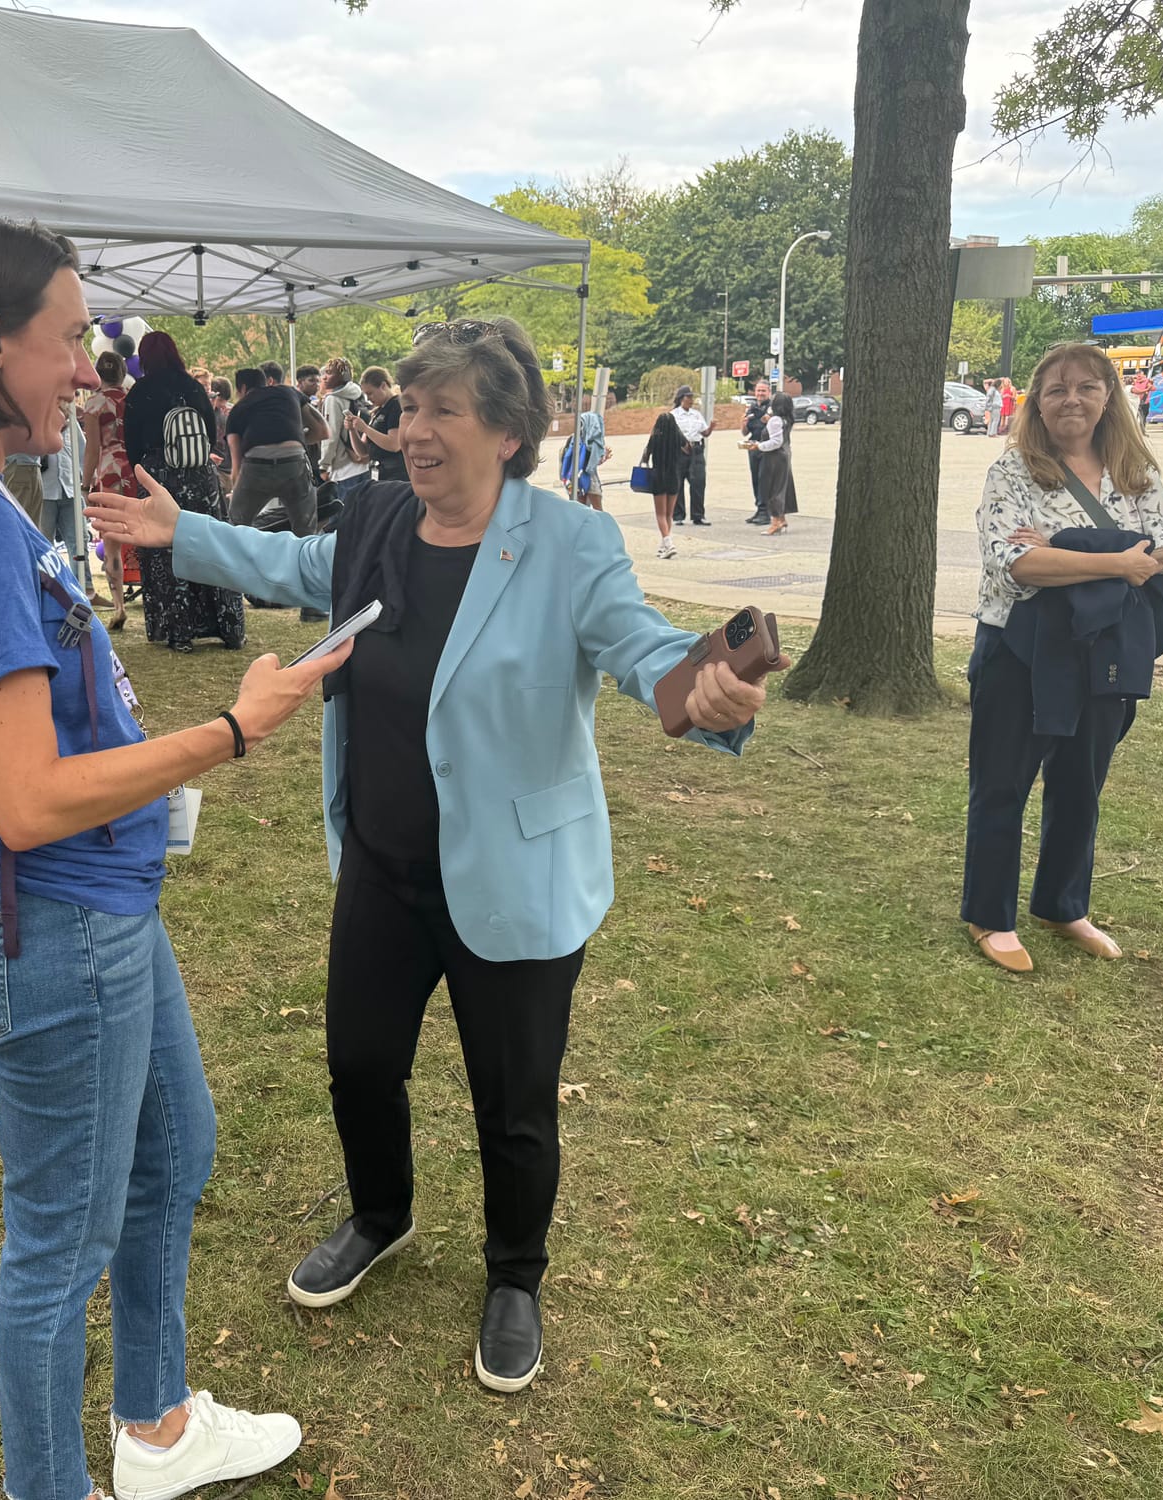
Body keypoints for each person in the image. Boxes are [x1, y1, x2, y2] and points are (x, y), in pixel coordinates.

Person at [89, 315, 776, 1396]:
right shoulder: (374, 519)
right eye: (407, 409)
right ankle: (380, 1216)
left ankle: (513, 1276)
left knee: (511, 1099)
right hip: (381, 859)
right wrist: (183, 529)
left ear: (505, 431)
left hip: (512, 873)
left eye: (440, 411)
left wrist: (706, 690)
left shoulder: (569, 546)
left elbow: (642, 652)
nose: (412, 431)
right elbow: (296, 562)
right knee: (359, 1061)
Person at [0, 211, 315, 1500]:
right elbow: (28, 797)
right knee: (57, 1252)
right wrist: (229, 729)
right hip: (49, 921)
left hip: (88, 911)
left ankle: (156, 1428)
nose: (85, 372)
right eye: (65, 341)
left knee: (175, 1151)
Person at [963, 342, 1163, 975]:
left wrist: (1066, 549)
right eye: (1057, 388)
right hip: (1018, 650)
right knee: (1003, 782)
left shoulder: (1136, 472)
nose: (1072, 399)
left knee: (1080, 785)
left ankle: (1062, 904)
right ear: (1036, 400)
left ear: (1109, 397)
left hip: (1103, 651)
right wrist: (1117, 559)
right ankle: (991, 915)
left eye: (1087, 387)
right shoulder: (1014, 473)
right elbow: (1015, 564)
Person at [122, 331, 245, 652]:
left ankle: (179, 632)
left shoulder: (140, 391)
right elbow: (209, 432)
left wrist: (145, 471)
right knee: (211, 542)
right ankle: (228, 626)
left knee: (165, 550)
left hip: (158, 476)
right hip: (200, 475)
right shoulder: (193, 387)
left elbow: (132, 444)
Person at [223, 366, 326, 535]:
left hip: (256, 466)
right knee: (305, 529)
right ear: (266, 383)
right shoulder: (288, 392)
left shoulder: (237, 410)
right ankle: (305, 557)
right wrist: (294, 440)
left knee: (237, 526)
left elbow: (236, 464)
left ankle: (241, 559)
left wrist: (236, 491)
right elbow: (323, 430)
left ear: (241, 388)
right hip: (294, 462)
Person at [82, 349, 136, 630]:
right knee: (144, 536)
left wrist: (85, 482)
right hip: (135, 471)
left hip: (109, 473)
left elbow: (93, 448)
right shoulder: (133, 400)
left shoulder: (94, 405)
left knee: (112, 544)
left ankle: (119, 606)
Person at [37, 398, 92, 591]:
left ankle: (84, 589)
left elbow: (83, 451)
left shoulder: (71, 421)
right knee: (44, 544)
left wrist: (86, 483)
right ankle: (49, 590)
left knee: (79, 541)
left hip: (70, 489)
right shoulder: (38, 417)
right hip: (45, 490)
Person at [318, 356, 371, 503]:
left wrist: (324, 465)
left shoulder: (333, 399)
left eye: (329, 373)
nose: (324, 377)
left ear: (342, 376)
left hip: (343, 467)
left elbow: (331, 435)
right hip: (362, 462)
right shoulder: (358, 394)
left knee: (344, 515)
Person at [638, 405, 686, 559]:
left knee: (660, 514)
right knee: (668, 515)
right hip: (674, 477)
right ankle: (663, 547)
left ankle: (668, 543)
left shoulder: (655, 438)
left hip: (658, 477)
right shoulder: (678, 438)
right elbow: (688, 449)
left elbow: (645, 456)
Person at [746, 392, 798, 534]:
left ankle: (775, 522)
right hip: (784, 455)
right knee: (782, 487)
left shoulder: (775, 420)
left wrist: (758, 446)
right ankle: (781, 518)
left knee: (771, 488)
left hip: (774, 457)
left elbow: (776, 442)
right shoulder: (787, 419)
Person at [348, 366, 407, 484]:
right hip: (377, 471)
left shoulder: (396, 406)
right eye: (366, 395)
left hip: (395, 473)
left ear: (383, 386)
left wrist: (365, 428)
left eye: (370, 393)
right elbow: (363, 452)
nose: (369, 399)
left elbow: (394, 444)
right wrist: (352, 430)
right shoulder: (377, 411)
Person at [670, 386, 713, 525]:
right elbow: (669, 434)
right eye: (688, 397)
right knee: (678, 483)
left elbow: (704, 433)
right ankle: (678, 516)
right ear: (681, 399)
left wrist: (711, 427)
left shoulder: (696, 415)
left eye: (692, 397)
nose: (691, 400)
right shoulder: (673, 415)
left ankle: (698, 515)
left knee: (698, 482)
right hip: (679, 451)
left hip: (696, 450)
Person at [742, 380, 772, 524]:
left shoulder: (772, 408)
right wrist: (743, 424)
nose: (760, 394)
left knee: (763, 479)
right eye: (758, 391)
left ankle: (765, 512)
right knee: (755, 479)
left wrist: (770, 420)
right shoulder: (752, 408)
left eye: (763, 391)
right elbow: (745, 432)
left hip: (766, 447)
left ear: (769, 392)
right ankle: (759, 509)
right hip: (752, 446)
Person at [571, 395, 607, 511]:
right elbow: (593, 464)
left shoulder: (574, 440)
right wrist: (604, 456)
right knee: (598, 511)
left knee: (580, 511)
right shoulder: (592, 442)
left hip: (575, 479)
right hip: (589, 479)